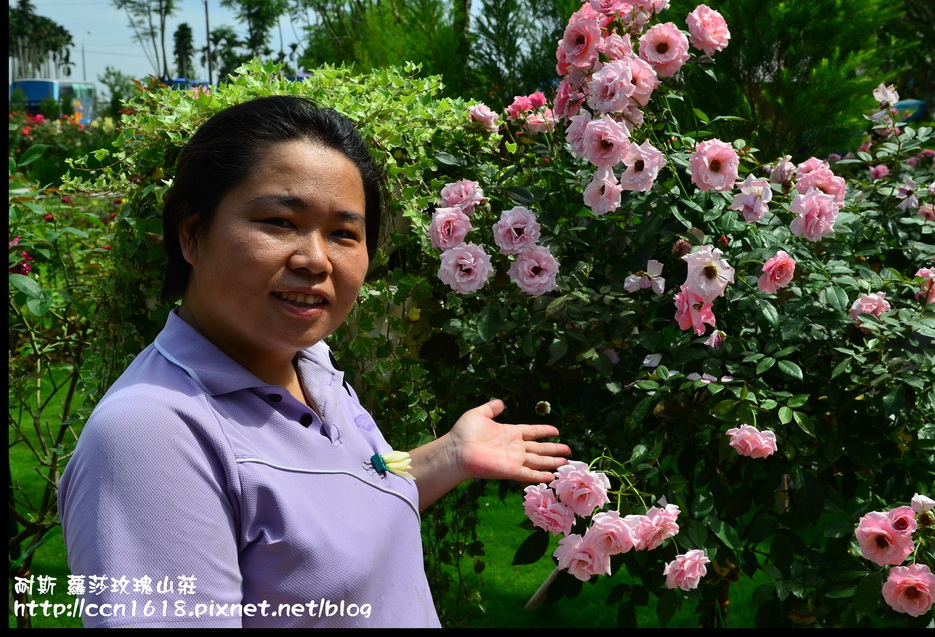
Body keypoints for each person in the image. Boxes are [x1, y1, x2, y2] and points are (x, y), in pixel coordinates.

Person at [57, 95, 571, 628]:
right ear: (192, 234)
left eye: (345, 233)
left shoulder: (312, 369)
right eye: (279, 222)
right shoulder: (152, 437)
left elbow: (338, 507)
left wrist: (448, 457)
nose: (316, 260)